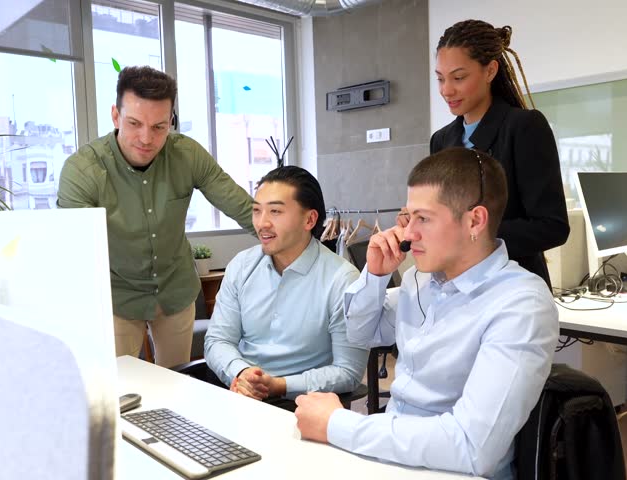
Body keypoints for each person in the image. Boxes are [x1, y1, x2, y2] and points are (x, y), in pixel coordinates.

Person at [294, 147, 558, 480]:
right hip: (389, 455)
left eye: (424, 219)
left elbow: (471, 447)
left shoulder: (520, 303)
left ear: (475, 220)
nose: (407, 234)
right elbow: (361, 333)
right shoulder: (420, 279)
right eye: (408, 218)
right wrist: (374, 276)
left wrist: (340, 424)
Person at [57, 66, 254, 368]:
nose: (146, 138)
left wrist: (293, 242)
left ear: (171, 121)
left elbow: (238, 203)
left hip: (175, 289)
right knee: (117, 389)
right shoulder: (83, 169)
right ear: (115, 116)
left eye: (159, 127)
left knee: (176, 384)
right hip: (116, 296)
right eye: (134, 123)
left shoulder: (187, 155)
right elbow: (74, 248)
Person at [401, 19, 569, 288]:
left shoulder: (524, 127)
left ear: (490, 71)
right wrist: (423, 219)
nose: (447, 90)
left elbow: (552, 227)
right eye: (441, 79)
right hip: (453, 288)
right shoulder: (442, 140)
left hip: (513, 285)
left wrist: (469, 232)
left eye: (458, 78)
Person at [204, 166, 369, 411]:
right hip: (240, 395)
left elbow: (348, 372)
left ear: (309, 219)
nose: (262, 223)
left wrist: (279, 384)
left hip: (302, 406)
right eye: (257, 211)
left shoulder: (342, 279)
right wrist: (241, 372)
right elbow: (217, 340)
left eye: (275, 212)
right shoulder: (241, 266)